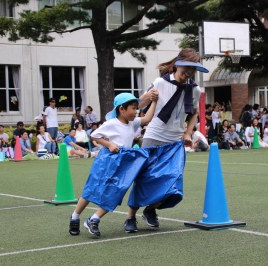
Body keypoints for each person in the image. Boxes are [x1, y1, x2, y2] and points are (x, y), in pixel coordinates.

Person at [124, 48, 209, 233]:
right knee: (144, 178)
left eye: (193, 69)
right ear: (178, 64)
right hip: (154, 137)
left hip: (174, 142)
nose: (188, 72)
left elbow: (194, 113)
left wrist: (187, 133)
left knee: (172, 182)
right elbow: (139, 104)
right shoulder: (160, 82)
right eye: (186, 67)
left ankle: (151, 210)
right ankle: (130, 217)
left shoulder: (195, 89)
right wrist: (148, 96)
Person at [69, 92, 157, 237]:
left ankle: (94, 219)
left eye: (136, 108)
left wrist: (153, 101)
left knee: (116, 192)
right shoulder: (111, 123)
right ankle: (75, 216)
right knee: (92, 189)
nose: (136, 111)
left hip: (124, 161)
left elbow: (147, 118)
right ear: (122, 109)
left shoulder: (133, 123)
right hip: (107, 160)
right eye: (133, 108)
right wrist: (109, 144)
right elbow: (94, 135)